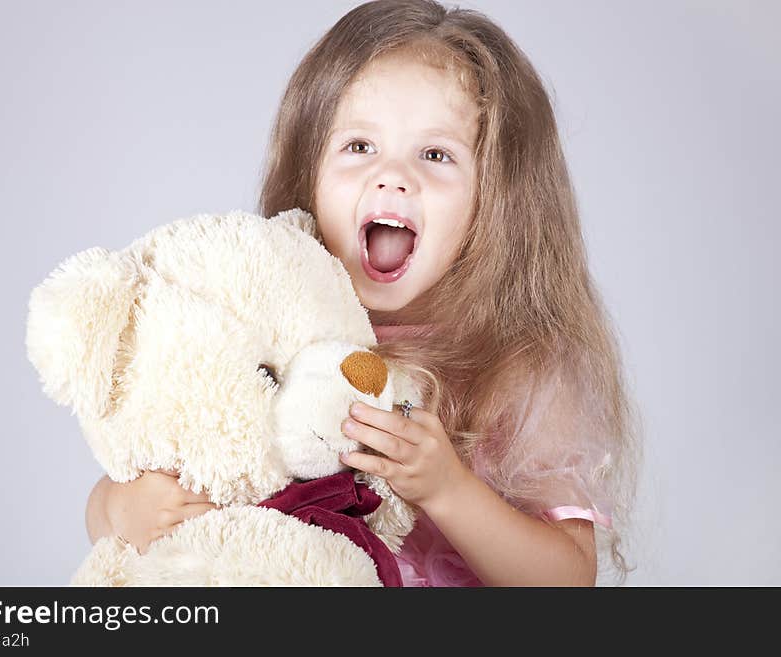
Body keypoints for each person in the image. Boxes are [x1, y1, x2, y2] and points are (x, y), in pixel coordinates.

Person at [85, 0, 641, 586]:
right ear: (309, 172)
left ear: (498, 200)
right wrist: (116, 509)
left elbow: (566, 582)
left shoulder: (522, 370)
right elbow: (153, 466)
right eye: (358, 146)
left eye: (435, 154)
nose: (392, 175)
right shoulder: (263, 337)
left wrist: (448, 490)